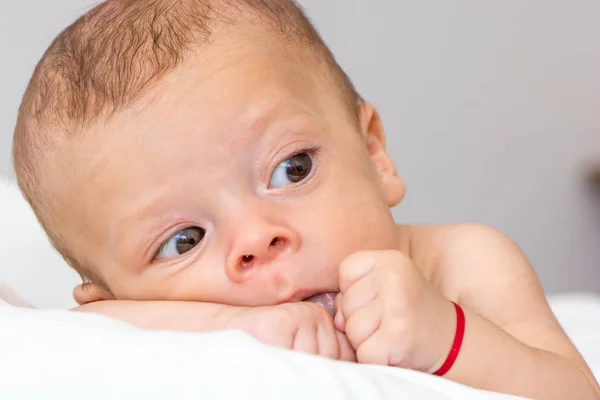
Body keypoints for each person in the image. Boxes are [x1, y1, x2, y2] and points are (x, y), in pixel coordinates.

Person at [11, 0, 599, 398]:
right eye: (183, 241)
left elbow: (573, 391)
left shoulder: (466, 260)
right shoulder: (123, 323)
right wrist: (240, 327)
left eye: (291, 169)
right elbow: (96, 323)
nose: (257, 239)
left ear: (375, 157)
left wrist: (446, 336)